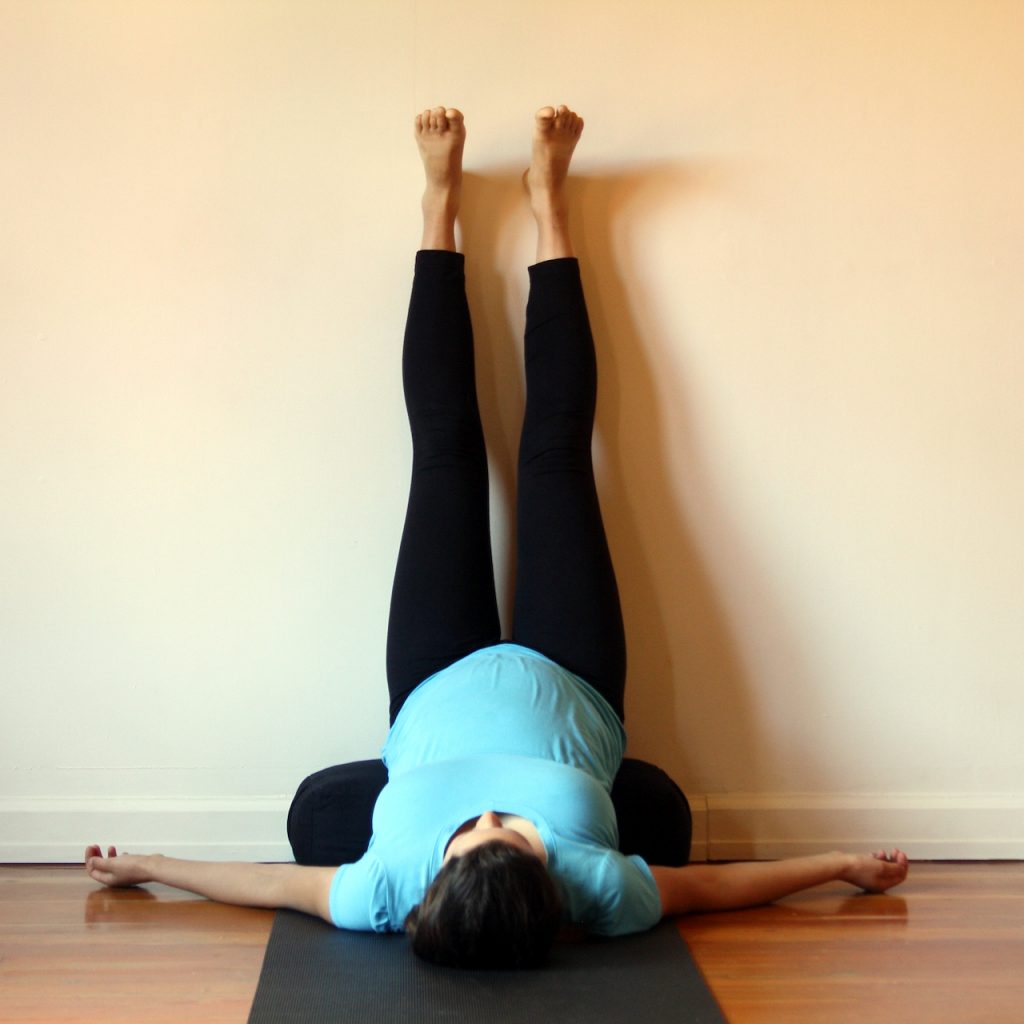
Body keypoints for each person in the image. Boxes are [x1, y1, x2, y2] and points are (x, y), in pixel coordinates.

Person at [85, 105, 909, 969]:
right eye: (508, 834)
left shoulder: (386, 886)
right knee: (555, 452)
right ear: (556, 884)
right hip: (575, 679)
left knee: (443, 453)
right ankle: (550, 205)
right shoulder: (599, 885)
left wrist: (147, 865)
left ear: (426, 883)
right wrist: (842, 865)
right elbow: (714, 889)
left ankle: (437, 205)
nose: (484, 818)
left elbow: (272, 887)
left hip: (432, 682)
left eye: (465, 835)